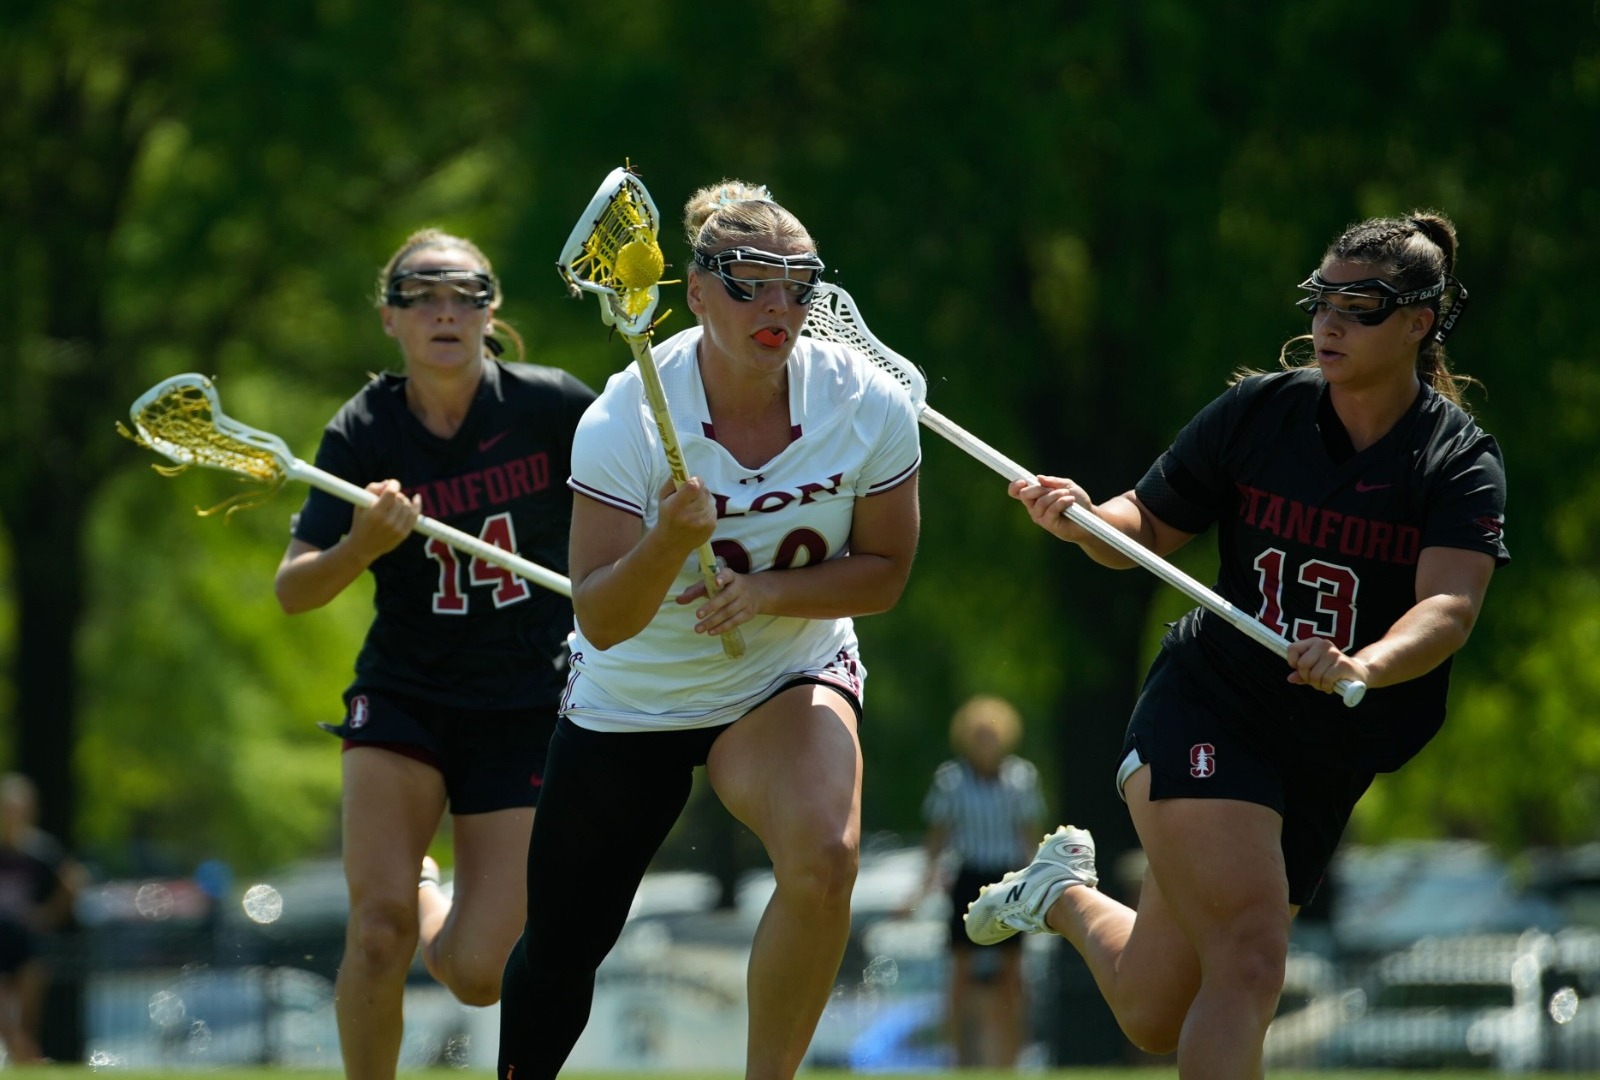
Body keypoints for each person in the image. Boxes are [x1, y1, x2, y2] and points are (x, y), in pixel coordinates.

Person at [964, 210, 1507, 1080]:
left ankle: (1061, 894)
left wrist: (1363, 664)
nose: (1329, 322)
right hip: (1213, 705)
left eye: (1359, 306)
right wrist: (1085, 520)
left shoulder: (1456, 459)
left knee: (1151, 1011)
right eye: (1321, 299)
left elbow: (1449, 604)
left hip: (1329, 748)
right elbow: (1141, 526)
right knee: (1251, 961)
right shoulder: (1262, 412)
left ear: (1420, 321)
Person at [497, 179, 922, 1080]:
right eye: (748, 283)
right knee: (564, 947)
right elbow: (602, 619)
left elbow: (884, 575)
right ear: (693, 292)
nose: (778, 306)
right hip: (635, 699)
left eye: (798, 284)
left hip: (784, 676)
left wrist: (764, 593)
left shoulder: (868, 402)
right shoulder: (622, 419)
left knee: (827, 859)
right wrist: (668, 542)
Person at [274, 228, 596, 1080]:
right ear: (390, 317)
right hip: (406, 694)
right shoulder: (364, 428)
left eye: (467, 295)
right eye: (423, 295)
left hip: (527, 704)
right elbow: (295, 588)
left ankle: (422, 887)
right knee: (374, 934)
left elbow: (635, 502)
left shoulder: (553, 406)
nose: (446, 312)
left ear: (493, 314)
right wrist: (360, 546)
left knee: (482, 974)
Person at [901, 695, 1046, 1067]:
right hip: (969, 880)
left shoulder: (1021, 778)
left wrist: (1042, 887)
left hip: (1010, 878)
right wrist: (920, 889)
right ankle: (959, 1060)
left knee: (1013, 976)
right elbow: (937, 841)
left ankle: (1011, 1061)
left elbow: (1029, 838)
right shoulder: (951, 781)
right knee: (960, 975)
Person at [0, 773, 84, 1065]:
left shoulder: (40, 851)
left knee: (25, 1023)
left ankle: (27, 1064)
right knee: (5, 1025)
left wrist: (47, 914)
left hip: (27, 945)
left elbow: (73, 881)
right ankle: (30, 1063)